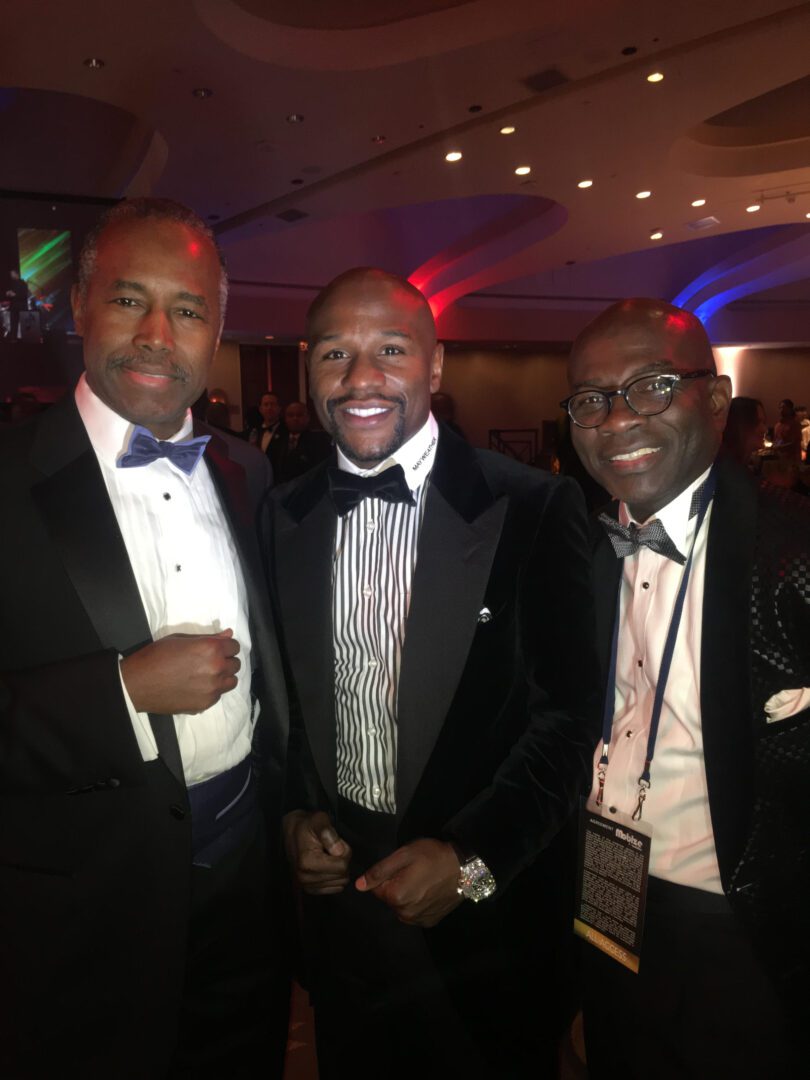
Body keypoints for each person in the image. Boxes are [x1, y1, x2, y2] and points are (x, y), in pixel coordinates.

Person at [263, 267, 600, 1078]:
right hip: (342, 921)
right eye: (335, 353)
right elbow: (292, 705)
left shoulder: (534, 506)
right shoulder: (283, 513)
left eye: (391, 349)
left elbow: (568, 722)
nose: (361, 378)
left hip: (488, 923)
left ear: (436, 363)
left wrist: (471, 862)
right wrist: (295, 817)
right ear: (309, 369)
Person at [0, 198, 290, 1078]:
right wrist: (122, 693)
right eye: (130, 300)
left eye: (188, 309)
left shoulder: (248, 471)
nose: (159, 335)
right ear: (79, 306)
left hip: (247, 893)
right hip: (78, 919)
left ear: (218, 330)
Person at [563, 298, 809, 1078]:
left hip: (745, 920)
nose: (617, 419)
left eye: (652, 387)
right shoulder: (573, 548)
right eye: (593, 399)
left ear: (716, 398)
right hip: (607, 893)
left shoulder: (794, 550)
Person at [269, 400, 331, 484]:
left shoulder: (319, 441)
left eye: (299, 415)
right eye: (290, 415)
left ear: (308, 418)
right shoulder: (278, 440)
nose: (295, 418)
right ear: (285, 419)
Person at [721, 395, 766, 467]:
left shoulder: (739, 464)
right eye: (757, 422)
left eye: (763, 423)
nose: (764, 429)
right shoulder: (729, 468)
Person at [248, 390, 285, 454]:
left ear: (279, 408)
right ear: (260, 409)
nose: (269, 408)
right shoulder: (254, 430)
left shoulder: (285, 430)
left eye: (273, 404)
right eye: (266, 404)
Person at [3, 267, 31, 340]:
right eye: (10, 274)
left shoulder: (23, 283)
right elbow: (10, 294)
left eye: (12, 274)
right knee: (13, 323)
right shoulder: (12, 283)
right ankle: (13, 339)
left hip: (22, 306)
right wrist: (8, 293)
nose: (11, 275)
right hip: (14, 306)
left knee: (24, 323)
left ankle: (26, 338)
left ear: (16, 274)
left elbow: (24, 295)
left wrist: (15, 295)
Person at [773, 397, 802, 463]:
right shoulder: (778, 425)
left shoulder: (795, 424)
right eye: (780, 408)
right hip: (779, 460)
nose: (781, 410)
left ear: (790, 409)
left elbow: (795, 443)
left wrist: (780, 447)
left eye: (784, 407)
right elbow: (776, 440)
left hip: (792, 461)